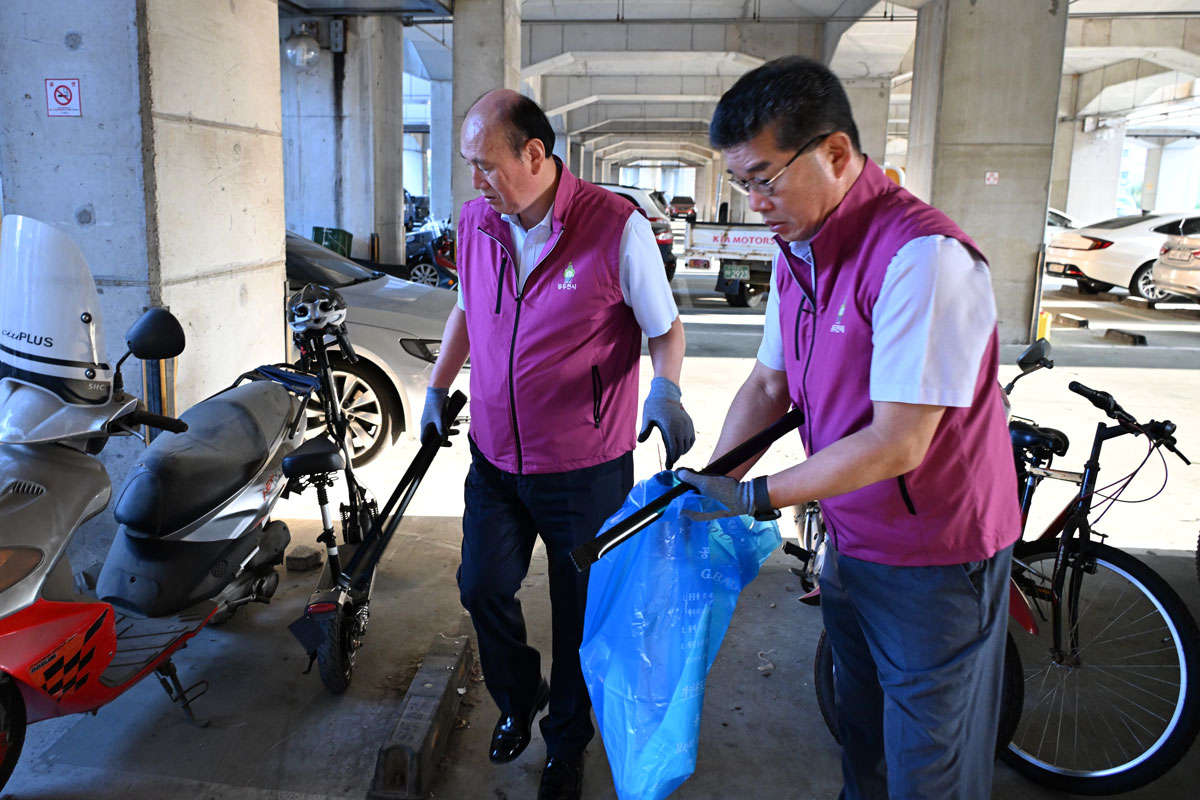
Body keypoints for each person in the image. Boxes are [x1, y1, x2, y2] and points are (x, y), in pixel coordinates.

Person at [678, 57, 1021, 799]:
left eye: (765, 179)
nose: (754, 203)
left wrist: (754, 497)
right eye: (741, 184)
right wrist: (712, 480)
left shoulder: (921, 257)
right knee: (861, 736)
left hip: (934, 556)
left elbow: (899, 442)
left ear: (834, 153)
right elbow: (769, 384)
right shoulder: (799, 250)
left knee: (928, 766)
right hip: (850, 537)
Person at [420, 89, 694, 800]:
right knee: (481, 585)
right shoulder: (477, 223)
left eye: (485, 164)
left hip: (585, 468)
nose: (474, 180)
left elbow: (664, 329)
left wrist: (665, 390)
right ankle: (520, 696)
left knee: (579, 614)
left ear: (534, 154)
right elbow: (465, 309)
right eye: (468, 164)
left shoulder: (615, 228)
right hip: (495, 457)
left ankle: (566, 744)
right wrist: (437, 387)